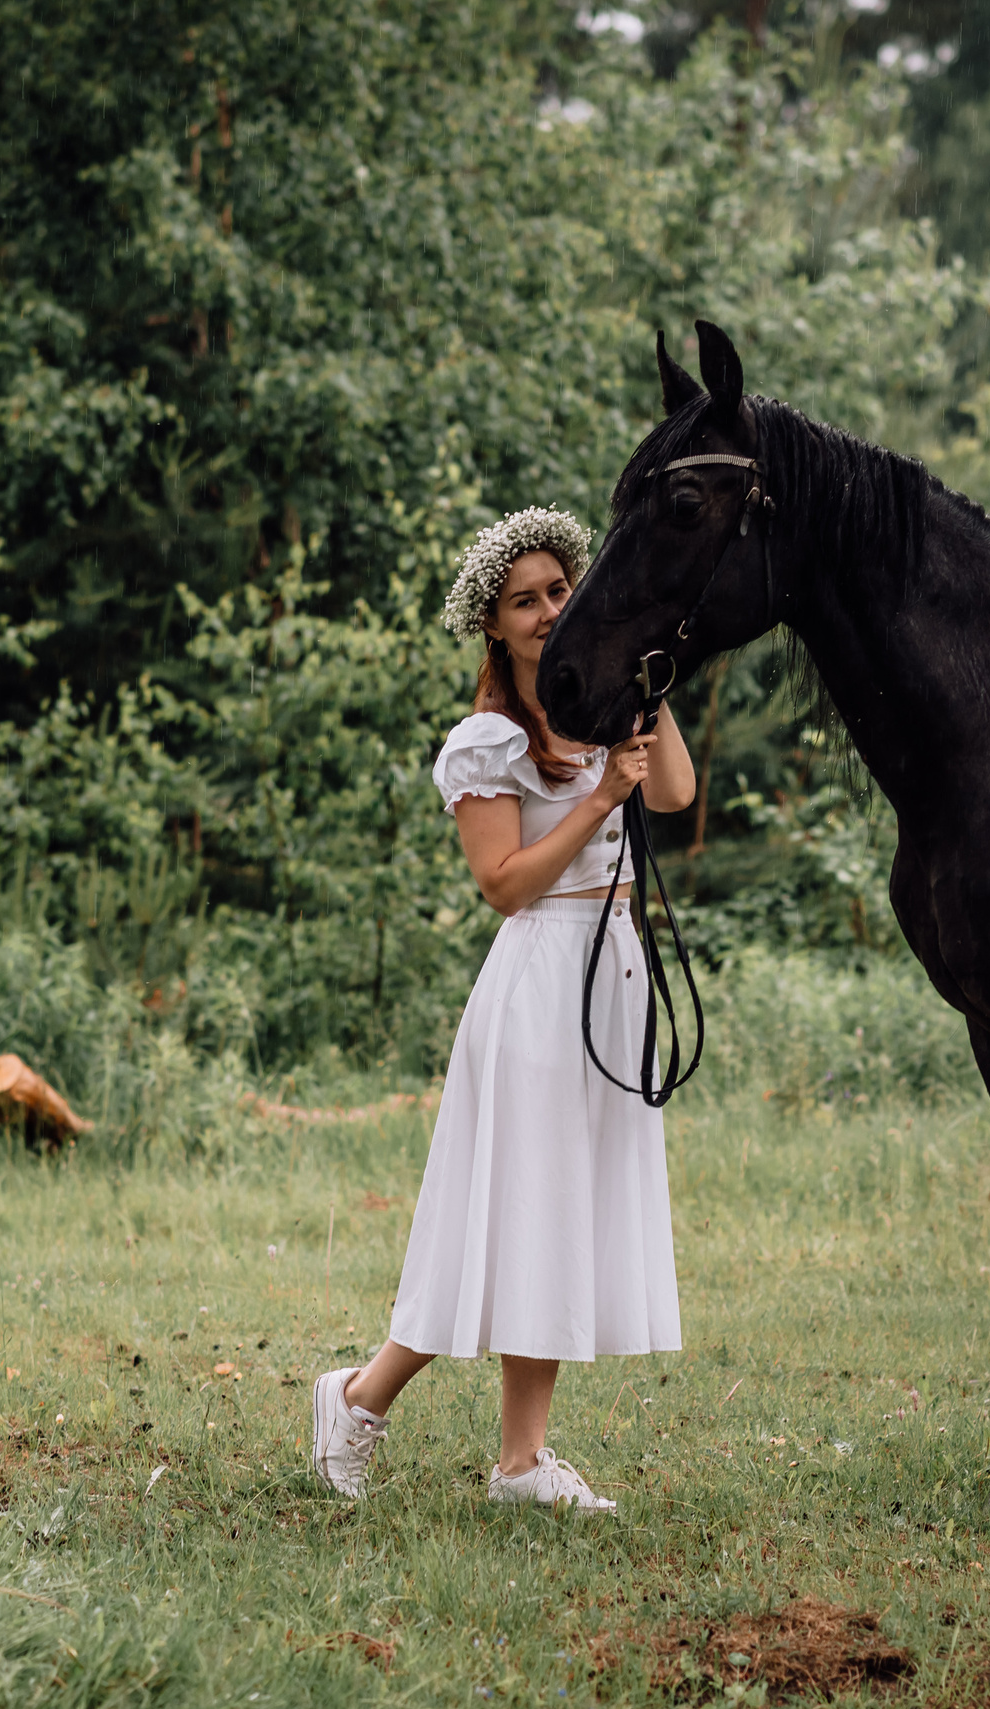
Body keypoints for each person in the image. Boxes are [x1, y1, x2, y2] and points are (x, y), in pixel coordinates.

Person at [311, 507, 695, 1513]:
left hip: (610, 978)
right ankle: (355, 1397)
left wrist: (644, 687)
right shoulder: (487, 740)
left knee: (558, 1222)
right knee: (505, 1214)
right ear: (493, 623)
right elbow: (505, 884)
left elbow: (675, 796)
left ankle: (521, 1461)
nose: (545, 612)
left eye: (558, 592)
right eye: (523, 600)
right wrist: (598, 796)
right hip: (535, 986)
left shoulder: (604, 708)